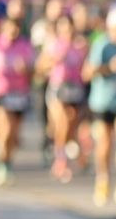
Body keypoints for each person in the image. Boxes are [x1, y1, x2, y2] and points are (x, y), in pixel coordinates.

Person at [84, 7, 116, 207]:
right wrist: (109, 68)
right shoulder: (102, 45)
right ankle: (102, 180)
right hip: (102, 102)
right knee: (104, 145)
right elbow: (87, 73)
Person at [0, 7, 35, 187]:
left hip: (20, 94)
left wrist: (26, 69)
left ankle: (7, 161)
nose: (13, 31)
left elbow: (33, 70)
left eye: (16, 28)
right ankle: (1, 163)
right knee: (5, 129)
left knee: (14, 134)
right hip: (1, 93)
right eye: (10, 27)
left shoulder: (24, 46)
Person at [38, 13, 90, 184]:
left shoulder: (80, 45)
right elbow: (40, 67)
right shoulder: (53, 45)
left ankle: (66, 148)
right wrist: (54, 61)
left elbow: (86, 69)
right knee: (62, 123)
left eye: (68, 26)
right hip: (58, 87)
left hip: (74, 88)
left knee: (72, 123)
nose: (66, 30)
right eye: (62, 27)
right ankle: (60, 161)